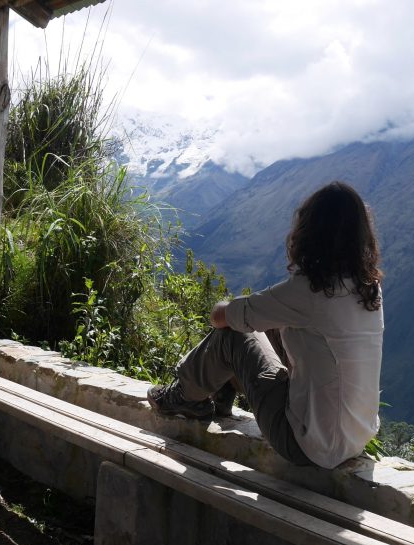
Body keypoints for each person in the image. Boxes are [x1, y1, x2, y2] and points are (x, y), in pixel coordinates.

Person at [147, 181, 384, 469]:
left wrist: (231, 305)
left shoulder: (309, 292)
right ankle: (219, 395)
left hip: (306, 445)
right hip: (353, 438)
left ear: (310, 232)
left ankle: (183, 397)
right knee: (271, 326)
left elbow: (219, 317)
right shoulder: (368, 289)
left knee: (233, 334)